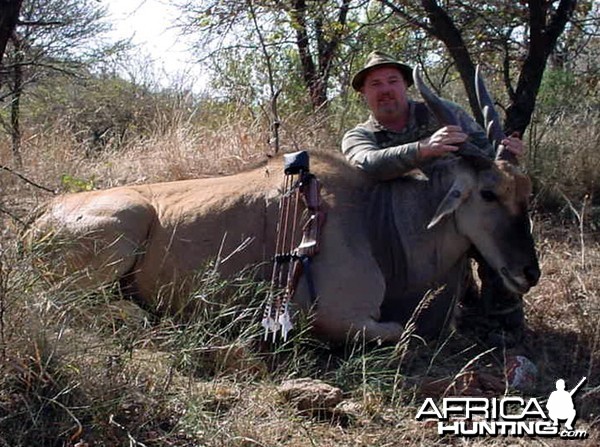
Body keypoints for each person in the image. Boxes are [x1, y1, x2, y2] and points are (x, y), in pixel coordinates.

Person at [342, 51, 526, 346]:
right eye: (375, 84)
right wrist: (422, 149)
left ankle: (501, 320)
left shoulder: (444, 113)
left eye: (392, 80)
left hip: (459, 216)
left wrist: (509, 156)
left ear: (405, 86)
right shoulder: (360, 135)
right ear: (364, 93)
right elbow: (365, 163)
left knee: (498, 224)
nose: (386, 89)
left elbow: (489, 166)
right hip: (403, 236)